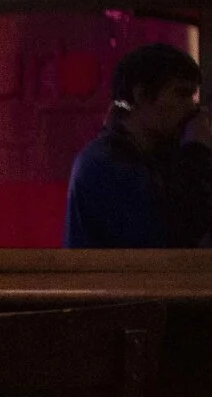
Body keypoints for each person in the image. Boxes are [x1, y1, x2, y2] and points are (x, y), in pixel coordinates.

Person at [65, 43, 212, 248]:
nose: (192, 107)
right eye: (181, 93)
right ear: (140, 95)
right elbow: (168, 240)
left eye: (193, 96)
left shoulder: (155, 159)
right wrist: (197, 152)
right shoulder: (104, 164)